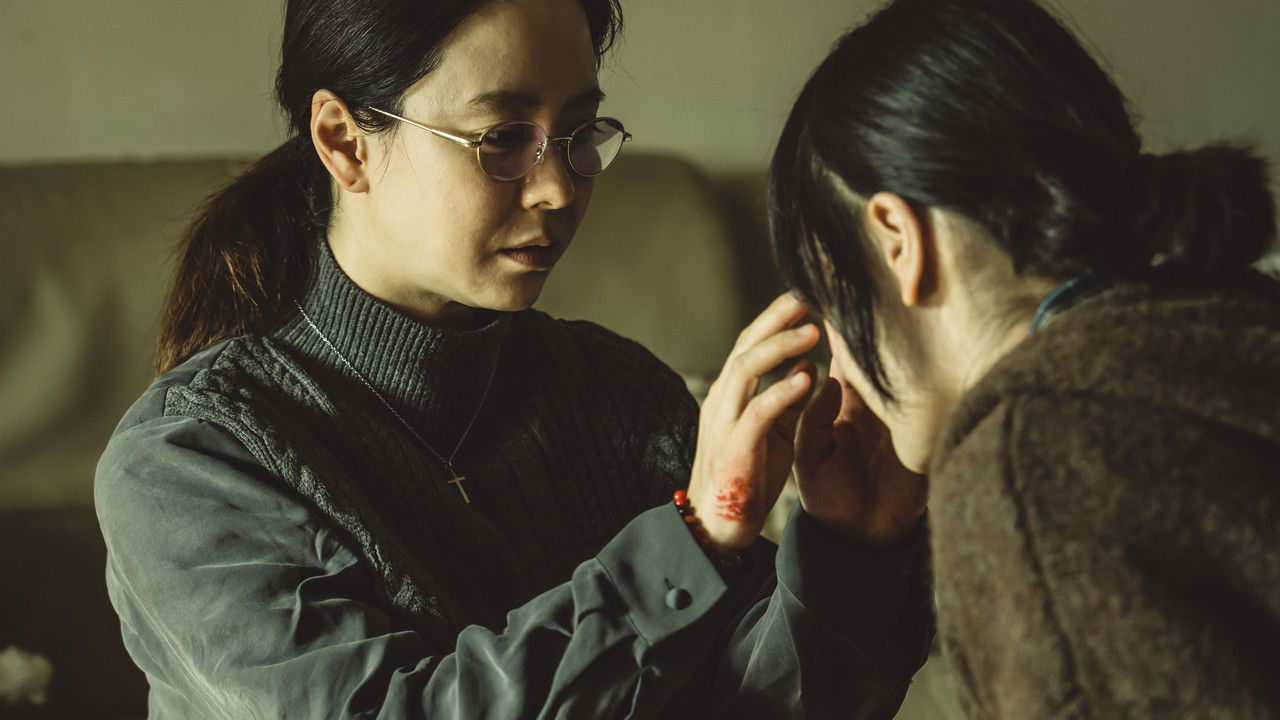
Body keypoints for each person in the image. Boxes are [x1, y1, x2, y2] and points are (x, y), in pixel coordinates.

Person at [94, 0, 933, 717]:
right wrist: (694, 544)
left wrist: (849, 552)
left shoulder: (621, 394)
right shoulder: (186, 463)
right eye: (501, 137)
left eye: (578, 133)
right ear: (345, 141)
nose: (559, 188)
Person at [766, 0, 1280, 717]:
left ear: (897, 241)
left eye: (830, 304)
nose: (841, 367)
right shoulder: (1234, 320)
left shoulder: (1026, 456)